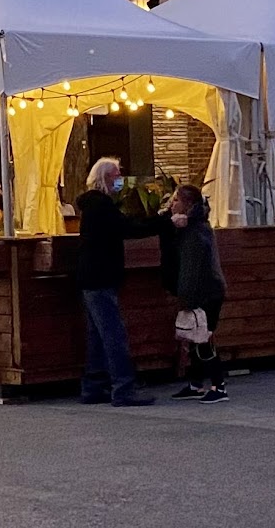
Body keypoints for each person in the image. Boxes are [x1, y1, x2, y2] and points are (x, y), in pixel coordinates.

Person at [76, 156, 162, 407]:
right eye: (116, 175)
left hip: (90, 276)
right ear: (104, 178)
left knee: (97, 335)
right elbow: (129, 228)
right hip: (101, 276)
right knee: (113, 335)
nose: (120, 179)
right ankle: (123, 387)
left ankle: (93, 386)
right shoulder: (102, 207)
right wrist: (163, 221)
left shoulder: (92, 206)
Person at [160, 185, 229, 404]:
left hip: (205, 292)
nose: (172, 204)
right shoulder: (193, 226)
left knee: (203, 338)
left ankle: (219, 386)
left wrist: (187, 298)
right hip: (208, 290)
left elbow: (192, 268)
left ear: (188, 204)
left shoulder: (194, 232)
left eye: (176, 200)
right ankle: (196, 383)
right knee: (194, 338)